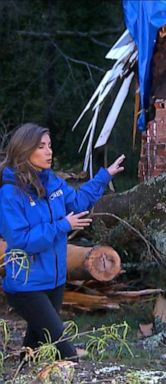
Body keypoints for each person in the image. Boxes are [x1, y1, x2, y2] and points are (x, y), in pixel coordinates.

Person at [0, 122, 125, 362]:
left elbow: (78, 203)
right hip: (27, 286)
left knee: (34, 349)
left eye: (50, 146)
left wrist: (104, 177)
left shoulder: (53, 182)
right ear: (24, 150)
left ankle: (24, 374)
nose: (49, 152)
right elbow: (21, 240)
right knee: (66, 352)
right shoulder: (10, 193)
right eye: (41, 146)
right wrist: (62, 225)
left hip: (54, 281)